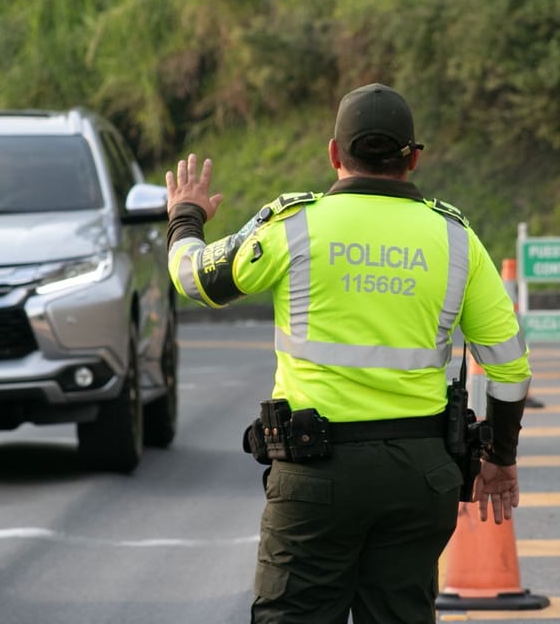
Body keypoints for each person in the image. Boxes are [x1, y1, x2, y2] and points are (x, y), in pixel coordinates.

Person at [165, 83, 532, 624]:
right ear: (414, 158)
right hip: (421, 478)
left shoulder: (293, 224)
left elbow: (194, 279)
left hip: (315, 478)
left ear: (334, 153)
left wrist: (185, 216)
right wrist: (500, 458)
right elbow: (510, 368)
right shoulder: (456, 238)